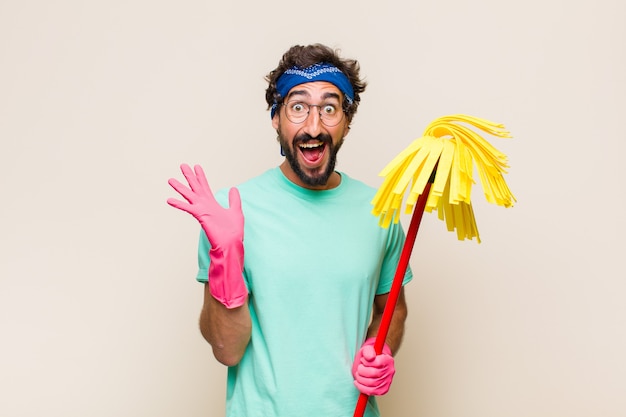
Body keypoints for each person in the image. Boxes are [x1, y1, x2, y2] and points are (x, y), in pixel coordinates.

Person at [167, 43, 413, 417]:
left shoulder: (380, 211)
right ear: (275, 118)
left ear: (347, 121)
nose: (313, 126)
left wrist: (379, 349)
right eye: (298, 107)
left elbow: (392, 310)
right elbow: (227, 349)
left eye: (330, 108)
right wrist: (225, 258)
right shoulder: (230, 213)